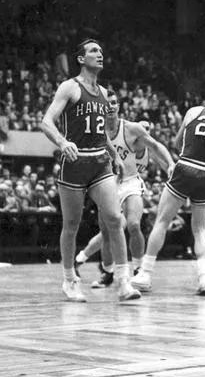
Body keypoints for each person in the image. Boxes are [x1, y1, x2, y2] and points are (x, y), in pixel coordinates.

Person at [39, 39, 140, 303]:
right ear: (81, 59)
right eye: (94, 51)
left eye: (101, 51)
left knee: (115, 219)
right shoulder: (69, 87)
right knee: (71, 225)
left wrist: (115, 154)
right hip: (74, 162)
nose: (100, 54)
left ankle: (124, 281)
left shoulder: (105, 93)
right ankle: (69, 279)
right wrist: (62, 141)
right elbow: (46, 122)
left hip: (99, 163)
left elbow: (101, 132)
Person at [133, 99, 205, 296]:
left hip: (186, 166)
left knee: (162, 221)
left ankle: (145, 273)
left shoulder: (194, 111)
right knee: (200, 229)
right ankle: (204, 280)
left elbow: (178, 142)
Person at [76, 98, 175, 288]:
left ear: (119, 107)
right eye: (107, 103)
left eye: (114, 103)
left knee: (134, 224)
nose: (111, 106)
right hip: (106, 184)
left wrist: (170, 164)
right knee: (107, 233)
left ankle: (139, 270)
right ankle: (108, 272)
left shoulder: (131, 130)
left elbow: (156, 146)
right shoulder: (96, 130)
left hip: (130, 182)